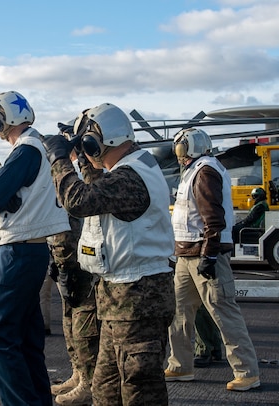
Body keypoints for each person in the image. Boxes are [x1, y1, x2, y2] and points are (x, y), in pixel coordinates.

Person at [43, 102, 176, 405]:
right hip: (120, 301)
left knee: (139, 391)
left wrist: (59, 159)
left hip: (138, 301)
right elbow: (100, 190)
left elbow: (78, 200)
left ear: (97, 143)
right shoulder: (130, 170)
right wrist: (83, 160)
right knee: (105, 390)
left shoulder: (130, 177)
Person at [0, 90, 70, 405]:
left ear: (0, 120)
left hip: (16, 251)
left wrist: (3, 196)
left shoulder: (24, 150)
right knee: (27, 338)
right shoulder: (43, 147)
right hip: (36, 250)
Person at [164, 127, 260, 391]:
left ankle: (247, 372)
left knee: (224, 312)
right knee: (179, 312)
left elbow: (213, 219)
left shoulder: (205, 171)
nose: (178, 154)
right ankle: (181, 365)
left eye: (181, 148)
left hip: (204, 256)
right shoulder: (194, 171)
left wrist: (210, 254)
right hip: (186, 254)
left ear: (192, 148)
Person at [46, 123, 100, 406]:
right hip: (63, 259)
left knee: (85, 327)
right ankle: (78, 373)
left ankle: (89, 382)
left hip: (81, 262)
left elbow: (77, 214)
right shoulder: (60, 176)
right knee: (70, 323)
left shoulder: (83, 178)